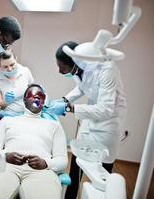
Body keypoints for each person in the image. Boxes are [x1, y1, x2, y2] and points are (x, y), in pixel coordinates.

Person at [45, 41, 127, 199]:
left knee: (103, 173)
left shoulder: (107, 70)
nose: (60, 71)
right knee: (76, 167)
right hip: (90, 119)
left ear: (75, 63)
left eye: (62, 66)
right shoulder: (80, 69)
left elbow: (105, 109)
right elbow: (82, 87)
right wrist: (64, 100)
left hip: (109, 123)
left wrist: (69, 108)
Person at [0, 84, 68, 199]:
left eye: (40, 96)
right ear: (24, 101)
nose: (37, 98)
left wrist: (45, 163)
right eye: (32, 95)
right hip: (7, 168)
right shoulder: (7, 121)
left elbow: (62, 160)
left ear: (44, 101)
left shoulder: (54, 126)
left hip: (41, 172)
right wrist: (5, 156)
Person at [0, 49, 34, 116]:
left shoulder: (25, 71)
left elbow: (32, 91)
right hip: (8, 116)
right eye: (5, 67)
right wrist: (6, 102)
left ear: (16, 59)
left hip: (26, 115)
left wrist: (38, 92)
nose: (10, 69)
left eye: (12, 64)